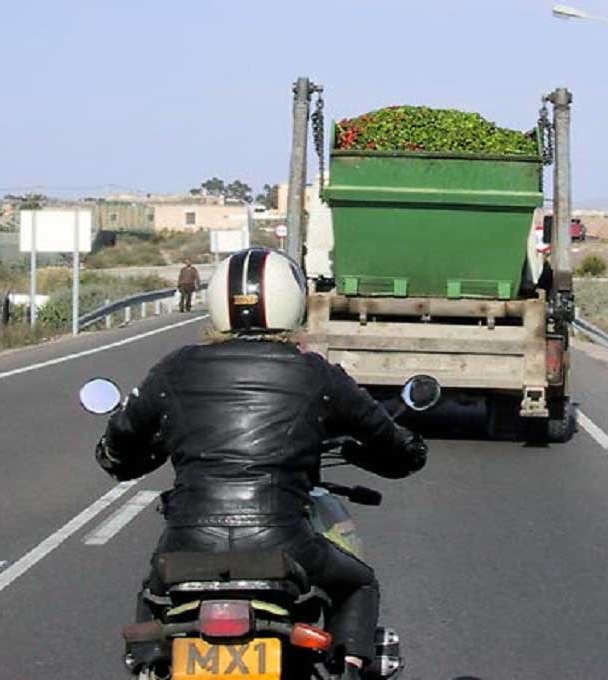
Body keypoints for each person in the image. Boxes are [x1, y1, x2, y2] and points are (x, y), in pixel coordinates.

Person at [94, 247, 428, 680]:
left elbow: (117, 452)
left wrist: (142, 449)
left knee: (153, 595)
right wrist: (384, 448)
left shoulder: (173, 370)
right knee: (358, 583)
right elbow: (399, 453)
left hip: (187, 545)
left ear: (216, 302)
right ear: (294, 301)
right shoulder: (315, 373)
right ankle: (350, 666)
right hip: (286, 544)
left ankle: (149, 667)